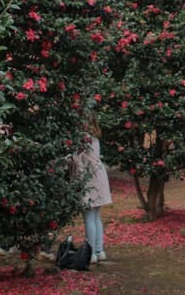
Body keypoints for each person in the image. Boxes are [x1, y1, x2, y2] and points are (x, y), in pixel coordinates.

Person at [72, 112, 112, 263]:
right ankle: (99, 249)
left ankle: (91, 253)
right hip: (100, 176)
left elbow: (78, 162)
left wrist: (77, 181)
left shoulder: (82, 138)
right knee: (96, 217)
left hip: (89, 179)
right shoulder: (94, 137)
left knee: (89, 217)